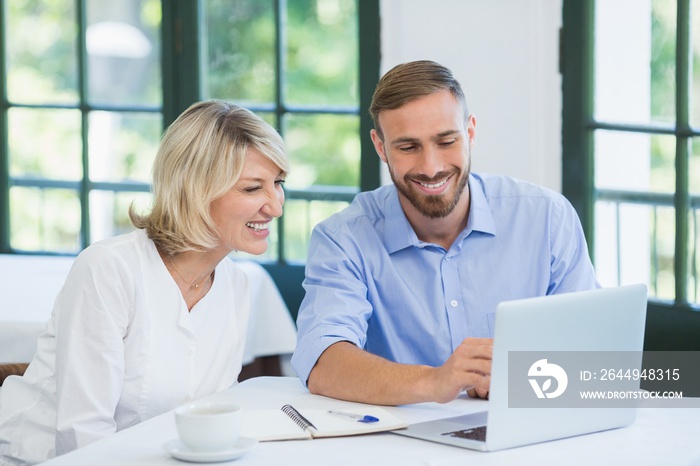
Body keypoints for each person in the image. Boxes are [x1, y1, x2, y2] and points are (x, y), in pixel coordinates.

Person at [291, 60, 599, 406]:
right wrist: (436, 381)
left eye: (446, 140)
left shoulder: (547, 218)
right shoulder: (342, 240)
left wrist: (524, 377)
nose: (431, 167)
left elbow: (594, 347)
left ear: (469, 133)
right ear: (381, 147)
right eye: (408, 147)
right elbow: (323, 363)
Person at [0, 100, 289, 465]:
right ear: (195, 190)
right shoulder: (108, 270)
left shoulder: (237, 284)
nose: (276, 206)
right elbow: (81, 436)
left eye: (278, 183)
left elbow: (210, 415)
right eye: (252, 189)